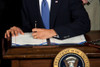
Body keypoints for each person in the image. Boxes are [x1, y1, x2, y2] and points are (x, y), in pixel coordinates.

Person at [4, 0, 90, 40]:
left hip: (66, 50)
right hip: (38, 53)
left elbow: (84, 23)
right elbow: (27, 27)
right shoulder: (27, 1)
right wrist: (18, 29)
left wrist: (53, 32)